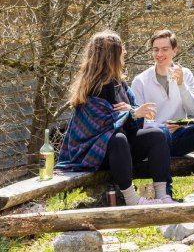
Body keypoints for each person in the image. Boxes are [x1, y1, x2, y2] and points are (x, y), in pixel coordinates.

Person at [56, 30, 174, 205]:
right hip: (94, 154)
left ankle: (162, 195)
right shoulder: (92, 89)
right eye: (121, 49)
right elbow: (103, 126)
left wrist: (135, 112)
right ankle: (132, 199)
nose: (125, 52)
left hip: (121, 153)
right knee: (117, 139)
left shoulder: (120, 83)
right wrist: (132, 113)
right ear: (109, 55)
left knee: (156, 135)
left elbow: (131, 121)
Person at [131, 29, 194, 193]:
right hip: (156, 140)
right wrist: (161, 125)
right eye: (156, 49)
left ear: (174, 51)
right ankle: (166, 190)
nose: (159, 54)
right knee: (161, 132)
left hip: (179, 135)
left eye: (165, 49)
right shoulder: (140, 81)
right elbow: (138, 121)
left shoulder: (186, 74)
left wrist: (181, 84)